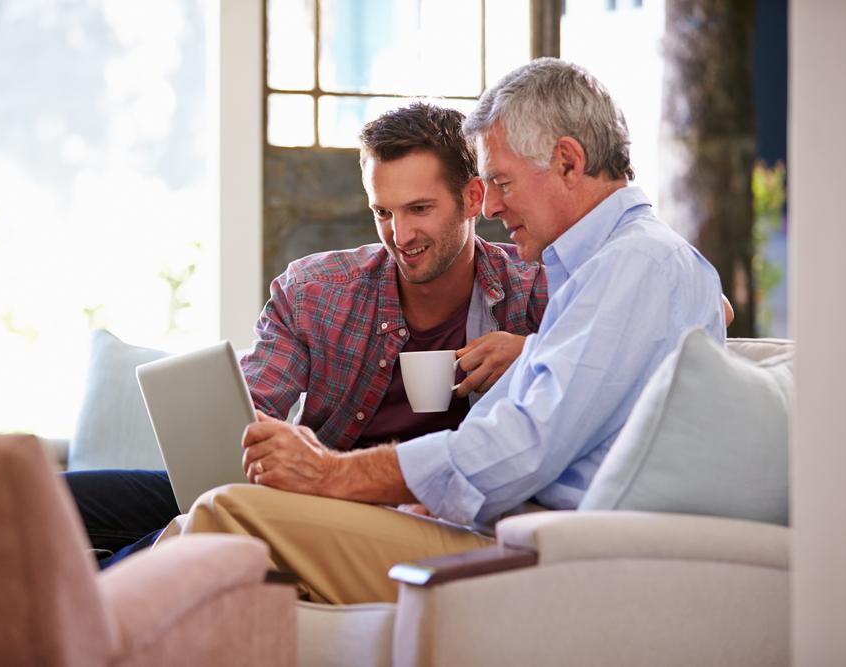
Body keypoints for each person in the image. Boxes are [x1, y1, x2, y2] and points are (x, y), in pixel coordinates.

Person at [155, 58, 728, 604]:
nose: (495, 204)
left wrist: (332, 474)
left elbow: (521, 446)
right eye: (384, 212)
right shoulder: (608, 268)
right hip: (505, 529)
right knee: (194, 517)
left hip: (536, 552)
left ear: (568, 162)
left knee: (225, 513)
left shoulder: (635, 267)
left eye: (501, 181)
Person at [67, 102, 548, 566]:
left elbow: (594, 384)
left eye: (419, 209)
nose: (401, 236)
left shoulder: (533, 291)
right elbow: (257, 405)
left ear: (472, 198)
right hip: (310, 497)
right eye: (383, 213)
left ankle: (87, 604)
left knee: (206, 525)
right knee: (60, 498)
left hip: (409, 519)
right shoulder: (316, 291)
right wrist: (252, 432)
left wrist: (530, 353)